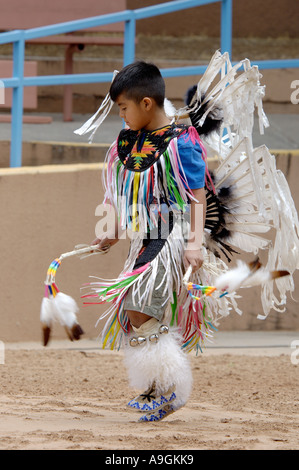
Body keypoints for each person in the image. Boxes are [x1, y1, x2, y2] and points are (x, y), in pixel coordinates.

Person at [87, 61, 208, 422]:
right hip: (144, 237)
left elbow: (197, 196)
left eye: (124, 107)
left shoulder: (181, 142)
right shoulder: (128, 143)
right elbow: (127, 196)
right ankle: (159, 386)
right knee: (136, 312)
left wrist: (195, 243)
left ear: (146, 104)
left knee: (142, 307)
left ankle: (171, 388)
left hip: (171, 234)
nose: (121, 115)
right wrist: (112, 230)